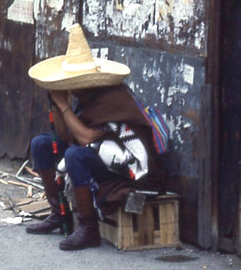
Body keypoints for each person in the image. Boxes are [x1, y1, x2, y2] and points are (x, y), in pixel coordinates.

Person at [25, 23, 165, 251]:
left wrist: (63, 106)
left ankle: (88, 228)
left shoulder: (112, 98)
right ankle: (58, 213)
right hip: (98, 154)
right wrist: (60, 104)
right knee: (41, 144)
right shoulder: (83, 97)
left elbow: (88, 138)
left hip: (124, 166)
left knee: (75, 155)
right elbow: (64, 134)